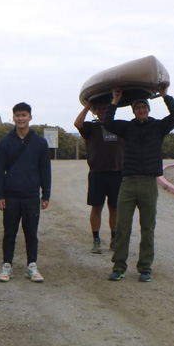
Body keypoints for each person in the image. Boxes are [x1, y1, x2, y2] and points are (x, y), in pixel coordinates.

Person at [103, 86, 174, 282]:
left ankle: (145, 268)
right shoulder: (127, 128)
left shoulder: (158, 127)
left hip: (148, 183)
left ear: (148, 109)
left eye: (143, 107)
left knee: (148, 227)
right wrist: (115, 100)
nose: (141, 110)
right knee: (122, 227)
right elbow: (108, 122)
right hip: (128, 183)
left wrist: (165, 95)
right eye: (137, 108)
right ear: (133, 110)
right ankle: (119, 266)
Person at [0, 102, 51, 283]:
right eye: (17, 115)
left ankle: (31, 265)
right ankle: (7, 265)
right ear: (14, 117)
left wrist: (46, 194)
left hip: (31, 195)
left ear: (30, 117)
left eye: (24, 115)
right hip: (10, 195)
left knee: (31, 233)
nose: (20, 118)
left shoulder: (40, 143)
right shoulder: (5, 142)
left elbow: (45, 170)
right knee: (9, 232)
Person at [74, 98, 124, 254]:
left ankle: (114, 239)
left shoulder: (120, 126)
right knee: (97, 207)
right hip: (97, 173)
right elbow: (77, 123)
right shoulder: (91, 127)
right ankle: (96, 239)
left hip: (117, 172)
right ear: (95, 111)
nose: (102, 111)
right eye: (99, 108)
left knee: (114, 208)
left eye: (106, 108)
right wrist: (88, 105)